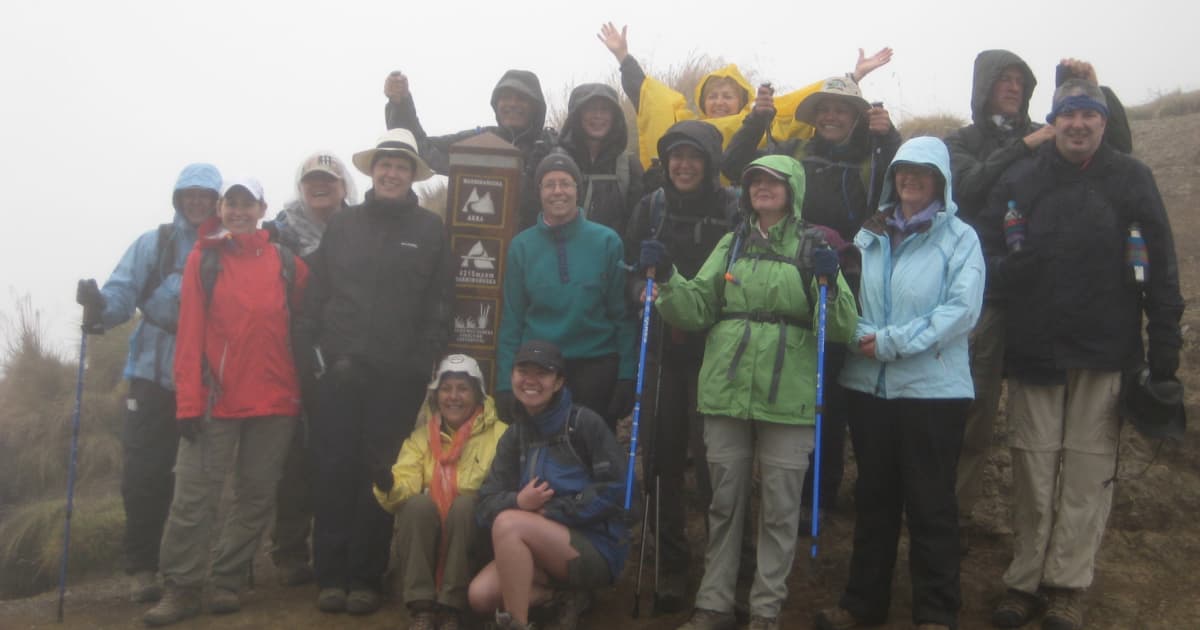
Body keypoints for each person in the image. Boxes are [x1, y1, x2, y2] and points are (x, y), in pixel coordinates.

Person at [979, 80, 1182, 630]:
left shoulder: (1132, 177)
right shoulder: (1022, 177)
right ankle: (1023, 581)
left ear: (1102, 122)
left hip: (1106, 348)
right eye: (1068, 115)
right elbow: (984, 249)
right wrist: (1004, 271)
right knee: (1032, 468)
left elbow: (1160, 264)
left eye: (1089, 115)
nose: (1078, 125)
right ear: (1053, 121)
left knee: (1088, 474)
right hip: (1034, 348)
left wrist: (1164, 350)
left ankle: (1067, 585)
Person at [640, 154, 858, 630]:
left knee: (780, 508)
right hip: (727, 388)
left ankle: (765, 612)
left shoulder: (813, 245)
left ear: (792, 190)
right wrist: (670, 278)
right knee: (724, 504)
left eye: (773, 181)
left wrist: (831, 284)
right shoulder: (732, 242)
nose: (762, 188)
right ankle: (714, 605)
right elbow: (697, 307)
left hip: (789, 395)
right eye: (755, 180)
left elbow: (841, 327)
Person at [944, 54, 1133, 543]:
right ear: (982, 87)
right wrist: (1023, 146)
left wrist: (1091, 88)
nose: (1010, 87)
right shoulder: (961, 141)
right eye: (1001, 80)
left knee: (1051, 425)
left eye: (1019, 81)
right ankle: (955, 514)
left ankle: (1045, 534)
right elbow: (968, 189)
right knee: (974, 410)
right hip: (984, 293)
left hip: (1044, 302)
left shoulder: (1054, 127)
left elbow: (1117, 158)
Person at [815, 136, 984, 630]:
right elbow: (849, 299)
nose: (910, 178)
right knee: (874, 500)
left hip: (933, 392)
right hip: (870, 389)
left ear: (941, 180)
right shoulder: (869, 234)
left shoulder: (960, 237)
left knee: (931, 504)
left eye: (922, 170)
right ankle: (862, 604)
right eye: (902, 170)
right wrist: (864, 334)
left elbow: (961, 310)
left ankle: (935, 611)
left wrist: (889, 341)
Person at [723, 75, 902, 528]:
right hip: (788, 282)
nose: (831, 116)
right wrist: (756, 120)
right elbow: (733, 166)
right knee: (798, 384)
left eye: (841, 109)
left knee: (834, 394)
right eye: (824, 108)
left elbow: (905, 186)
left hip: (850, 286)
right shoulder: (792, 155)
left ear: (858, 116)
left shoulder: (874, 157)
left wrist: (891, 136)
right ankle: (795, 493)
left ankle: (820, 497)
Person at [299, 128, 455, 615]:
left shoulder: (430, 232)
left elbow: (439, 303)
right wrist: (318, 357)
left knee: (380, 473)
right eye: (385, 164)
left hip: (397, 379)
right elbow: (318, 296)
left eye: (402, 166)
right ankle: (331, 573)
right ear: (373, 171)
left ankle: (366, 575)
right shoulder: (344, 226)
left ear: (412, 175)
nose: (392, 172)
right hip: (339, 374)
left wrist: (421, 360)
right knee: (333, 470)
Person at [143, 177, 309, 626]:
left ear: (262, 208)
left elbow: (305, 326)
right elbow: (190, 333)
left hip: (277, 400)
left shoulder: (286, 263)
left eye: (247, 203)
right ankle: (181, 587)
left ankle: (226, 581)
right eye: (231, 203)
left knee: (255, 498)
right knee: (194, 497)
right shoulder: (205, 260)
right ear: (222, 208)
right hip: (217, 397)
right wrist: (187, 403)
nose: (239, 211)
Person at [75, 162, 222, 604]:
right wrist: (99, 307)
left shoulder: (224, 246)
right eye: (188, 194)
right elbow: (123, 291)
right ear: (178, 198)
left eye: (205, 195)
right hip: (152, 376)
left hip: (204, 379)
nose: (196, 202)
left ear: (215, 200)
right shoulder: (153, 245)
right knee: (144, 474)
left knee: (196, 478)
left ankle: (187, 566)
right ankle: (142, 567)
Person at [621, 119, 740, 610]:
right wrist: (640, 289)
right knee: (663, 462)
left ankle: (726, 571)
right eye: (676, 157)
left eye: (694, 157)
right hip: (663, 352)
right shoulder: (651, 209)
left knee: (717, 465)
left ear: (711, 163)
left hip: (716, 351)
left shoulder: (733, 210)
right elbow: (627, 276)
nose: (684, 165)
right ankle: (670, 568)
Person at [469, 340, 629, 630]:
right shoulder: (514, 436)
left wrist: (550, 512)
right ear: (512, 375)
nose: (530, 380)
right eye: (523, 371)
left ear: (558, 382)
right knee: (480, 596)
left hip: (594, 548)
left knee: (508, 524)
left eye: (542, 373)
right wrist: (519, 503)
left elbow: (619, 492)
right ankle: (562, 597)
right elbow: (485, 504)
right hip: (534, 548)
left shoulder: (584, 424)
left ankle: (516, 624)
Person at [597, 22, 891, 171]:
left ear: (742, 101)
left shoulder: (765, 124)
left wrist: (853, 77)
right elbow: (651, 99)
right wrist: (624, 58)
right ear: (702, 103)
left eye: (727, 95)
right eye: (712, 96)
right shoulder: (689, 127)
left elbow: (809, 100)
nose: (719, 101)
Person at [264, 150, 356, 588]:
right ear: (301, 187)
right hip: (289, 353)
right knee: (295, 454)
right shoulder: (277, 235)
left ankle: (337, 547)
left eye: (330, 179)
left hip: (346, 357)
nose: (321, 186)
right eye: (312, 180)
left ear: (344, 187)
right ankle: (288, 550)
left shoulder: (360, 229)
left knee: (340, 453)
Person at [494, 152, 636, 431]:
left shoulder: (606, 241)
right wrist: (503, 382)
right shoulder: (522, 246)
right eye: (549, 184)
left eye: (565, 183)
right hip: (539, 369)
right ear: (539, 193)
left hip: (596, 368)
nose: (558, 191)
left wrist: (627, 374)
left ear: (577, 190)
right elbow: (512, 318)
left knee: (592, 459)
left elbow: (622, 315)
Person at [374, 354, 507, 630]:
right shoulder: (422, 437)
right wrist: (387, 483)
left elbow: (502, 494)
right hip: (431, 541)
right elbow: (404, 486)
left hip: (477, 543)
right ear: (436, 396)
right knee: (416, 506)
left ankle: (452, 609)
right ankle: (422, 608)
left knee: (465, 505)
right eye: (446, 389)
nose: (453, 397)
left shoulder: (501, 436)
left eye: (463, 388)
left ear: (478, 394)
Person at [384, 69, 557, 229]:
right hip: (477, 250)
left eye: (521, 98)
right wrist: (401, 105)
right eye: (505, 97)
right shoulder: (478, 141)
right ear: (496, 104)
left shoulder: (551, 147)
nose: (512, 103)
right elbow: (419, 148)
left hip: (536, 252)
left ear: (536, 106)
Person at [557, 82, 644, 236]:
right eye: (590, 109)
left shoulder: (629, 167)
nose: (598, 116)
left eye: (605, 109)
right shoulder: (557, 161)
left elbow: (636, 227)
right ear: (577, 115)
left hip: (611, 257)